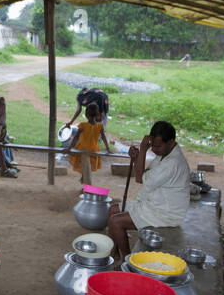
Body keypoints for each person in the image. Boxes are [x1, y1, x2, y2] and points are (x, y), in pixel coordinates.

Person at [107, 121, 191, 258]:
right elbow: (145, 173)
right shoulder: (165, 154)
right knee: (112, 210)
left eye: (158, 146)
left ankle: (127, 260)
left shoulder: (172, 163)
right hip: (153, 203)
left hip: (165, 213)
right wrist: (137, 158)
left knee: (115, 221)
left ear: (171, 142)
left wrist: (143, 150)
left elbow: (139, 178)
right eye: (152, 146)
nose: (154, 149)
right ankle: (114, 251)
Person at [66, 103, 111, 183]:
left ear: (86, 115)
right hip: (93, 150)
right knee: (88, 167)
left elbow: (76, 138)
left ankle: (84, 178)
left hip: (82, 149)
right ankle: (84, 178)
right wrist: (108, 148)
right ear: (98, 115)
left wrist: (69, 148)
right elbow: (104, 138)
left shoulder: (82, 125)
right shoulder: (100, 126)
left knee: (84, 166)